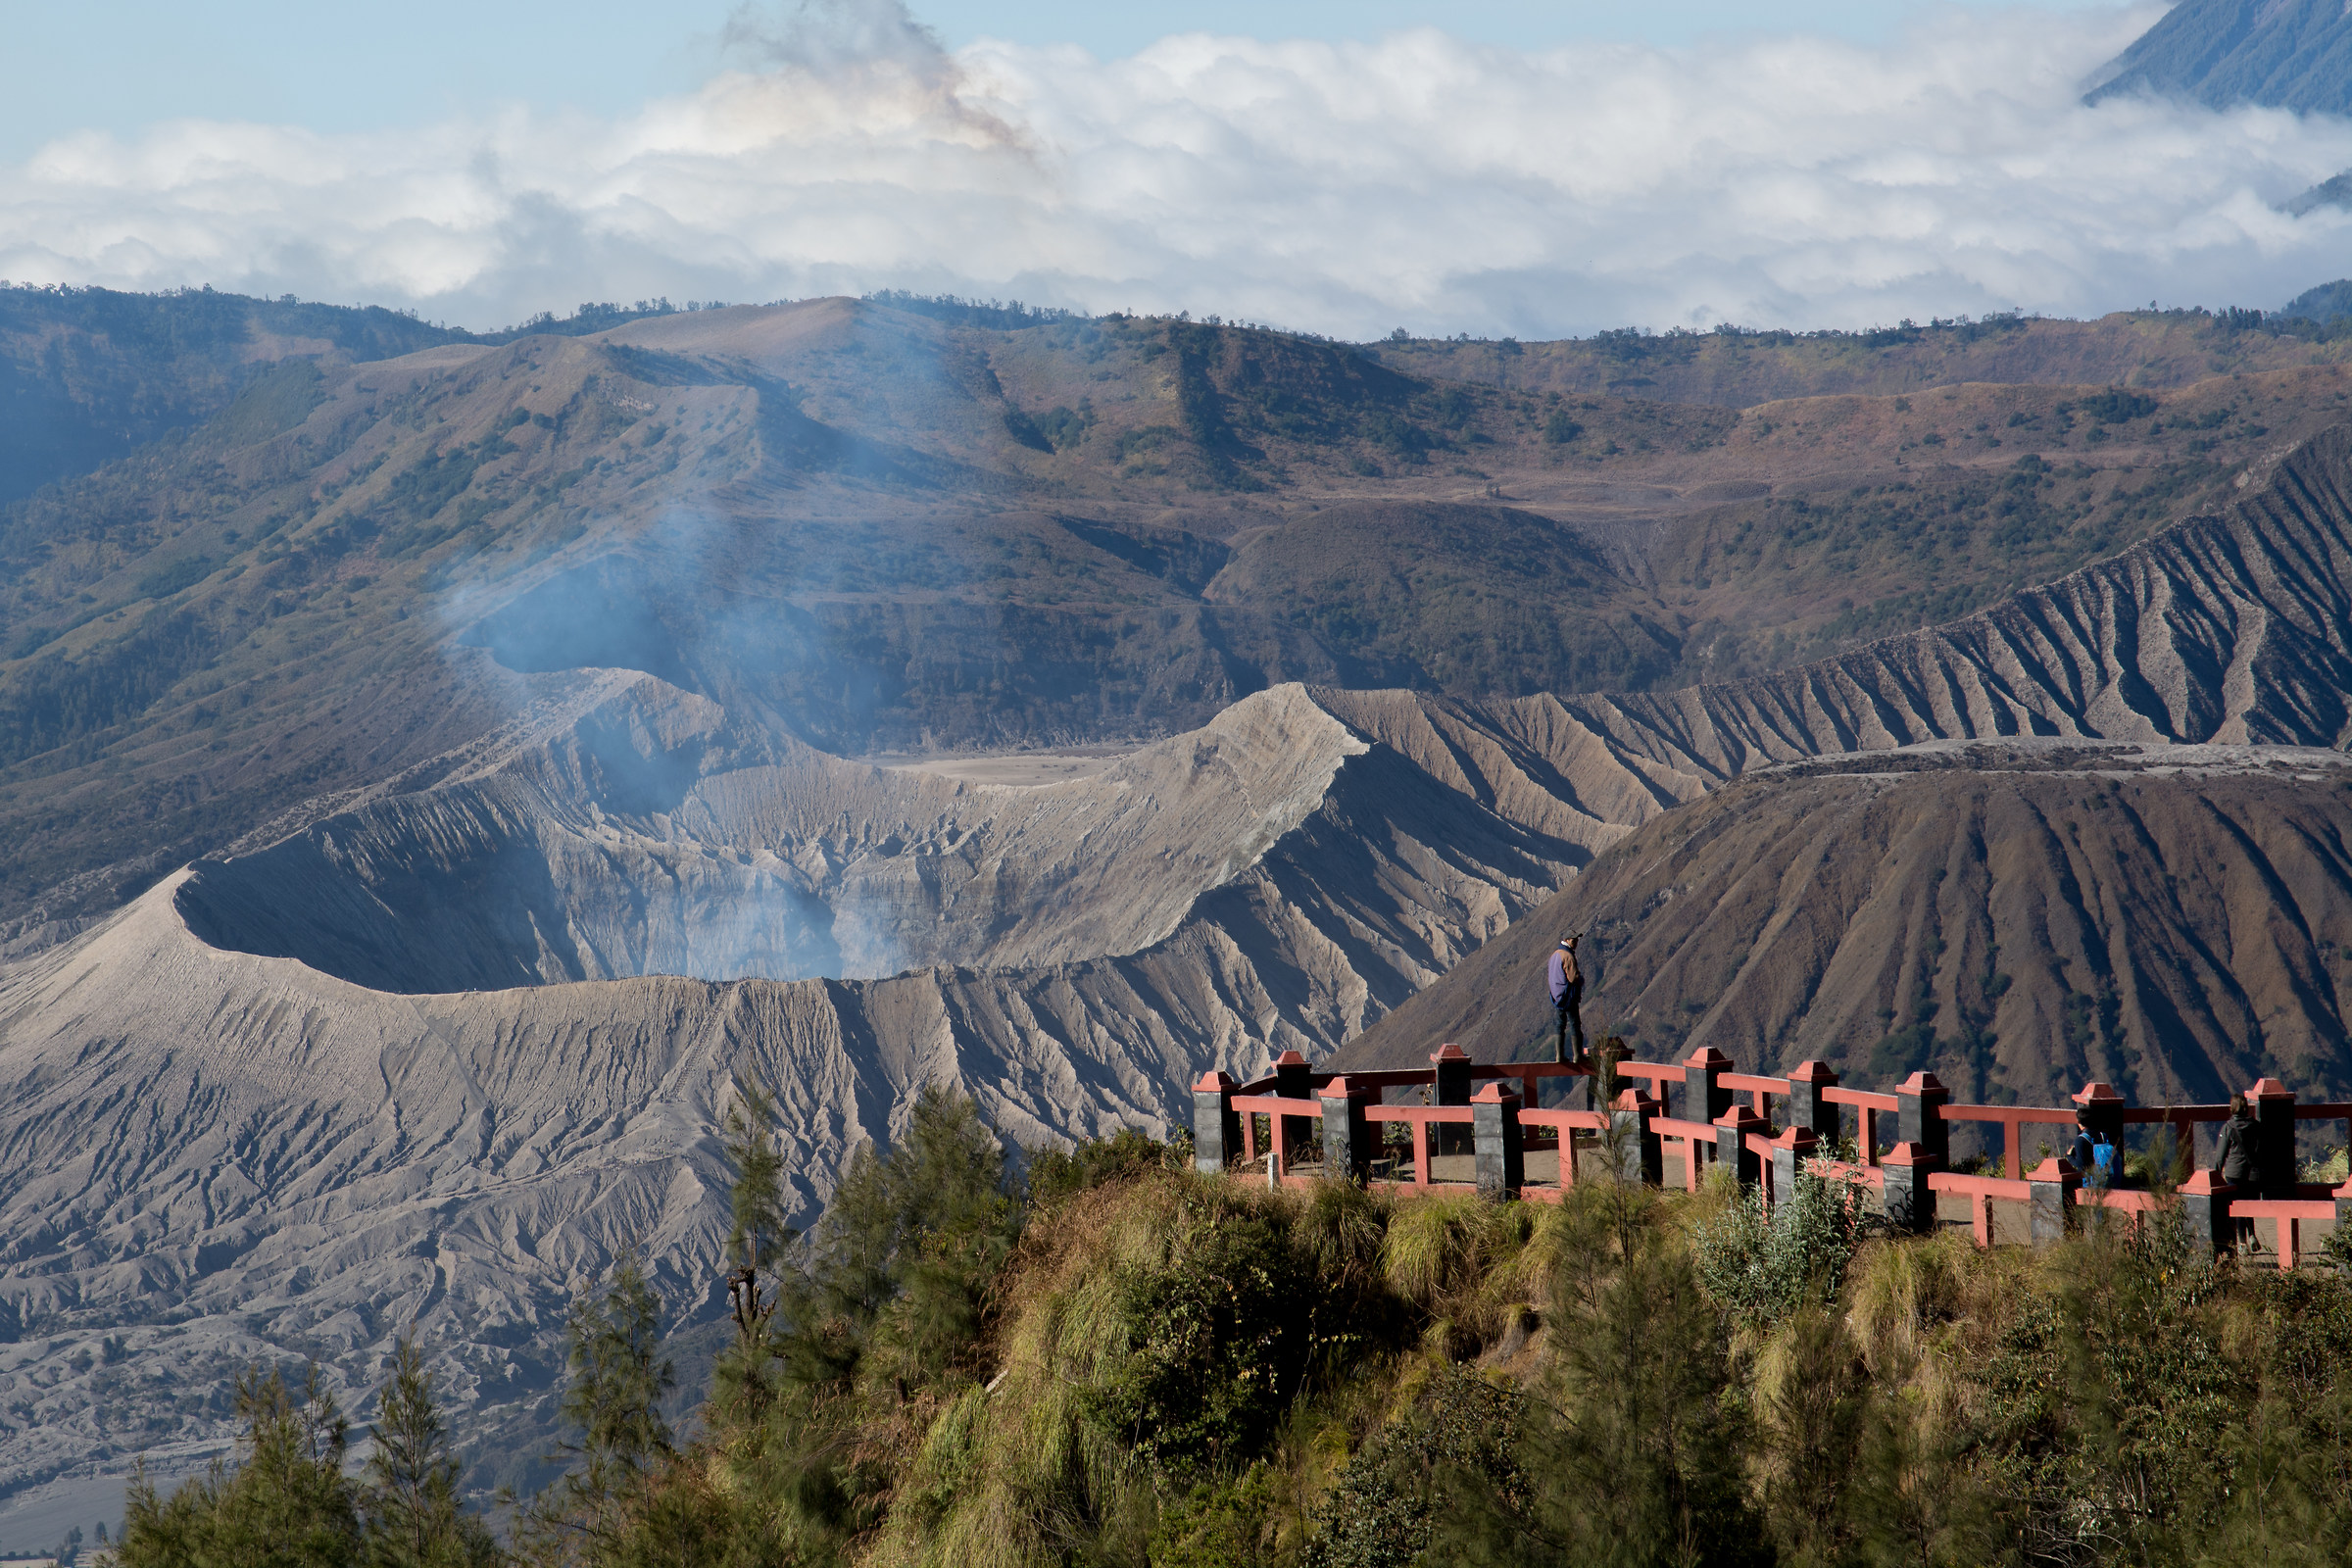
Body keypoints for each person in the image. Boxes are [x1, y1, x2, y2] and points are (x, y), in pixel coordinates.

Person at [2212, 1091, 2262, 1250]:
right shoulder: (2256, 1126)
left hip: (2234, 1173)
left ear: (2232, 1108)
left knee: (2238, 1207)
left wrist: (2216, 1175)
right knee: (2248, 1205)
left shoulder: (2228, 1128)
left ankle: (2242, 1243)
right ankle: (2252, 1235)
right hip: (2253, 1173)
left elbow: (2220, 1156)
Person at [1547, 934, 1585, 1064]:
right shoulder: (1567, 956)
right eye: (1574, 940)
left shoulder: (1554, 955)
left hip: (1557, 996)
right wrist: (1581, 979)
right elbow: (1573, 977)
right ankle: (1578, 1056)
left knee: (1560, 1025)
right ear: (1567, 940)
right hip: (1569, 996)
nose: (1576, 943)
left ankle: (1559, 1056)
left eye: (1577, 940)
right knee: (1574, 1024)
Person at [2069, 1107, 2119, 1189]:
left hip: (2091, 1184)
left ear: (2078, 1122)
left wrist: (2069, 1157)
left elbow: (2081, 1166)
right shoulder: (2103, 1135)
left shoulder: (2080, 1140)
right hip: (2109, 1179)